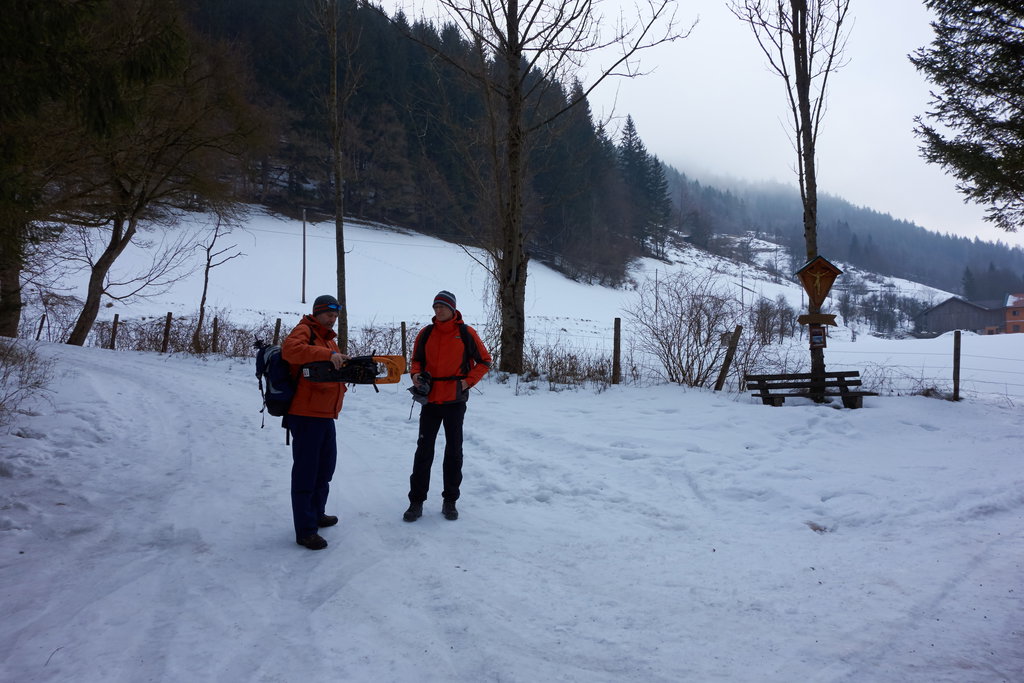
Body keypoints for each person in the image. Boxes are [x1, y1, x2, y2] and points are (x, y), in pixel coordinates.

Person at [403, 290, 491, 522]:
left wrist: (467, 381)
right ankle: (416, 501)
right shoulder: (426, 333)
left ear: (452, 309)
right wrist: (415, 374)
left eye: (442, 306)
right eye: (435, 307)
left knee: (454, 451)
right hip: (430, 400)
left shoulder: (465, 333)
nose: (438, 310)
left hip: (454, 400)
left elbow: (485, 360)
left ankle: (450, 500)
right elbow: (417, 360)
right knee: (424, 451)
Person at [282, 294, 349, 550]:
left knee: (324, 470)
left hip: (324, 416)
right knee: (306, 474)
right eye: (329, 314)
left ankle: (316, 513)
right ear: (317, 313)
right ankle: (305, 530)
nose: (332, 319)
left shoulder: (327, 339)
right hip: (305, 415)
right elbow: (290, 351)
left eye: (335, 316)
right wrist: (325, 353)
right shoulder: (305, 331)